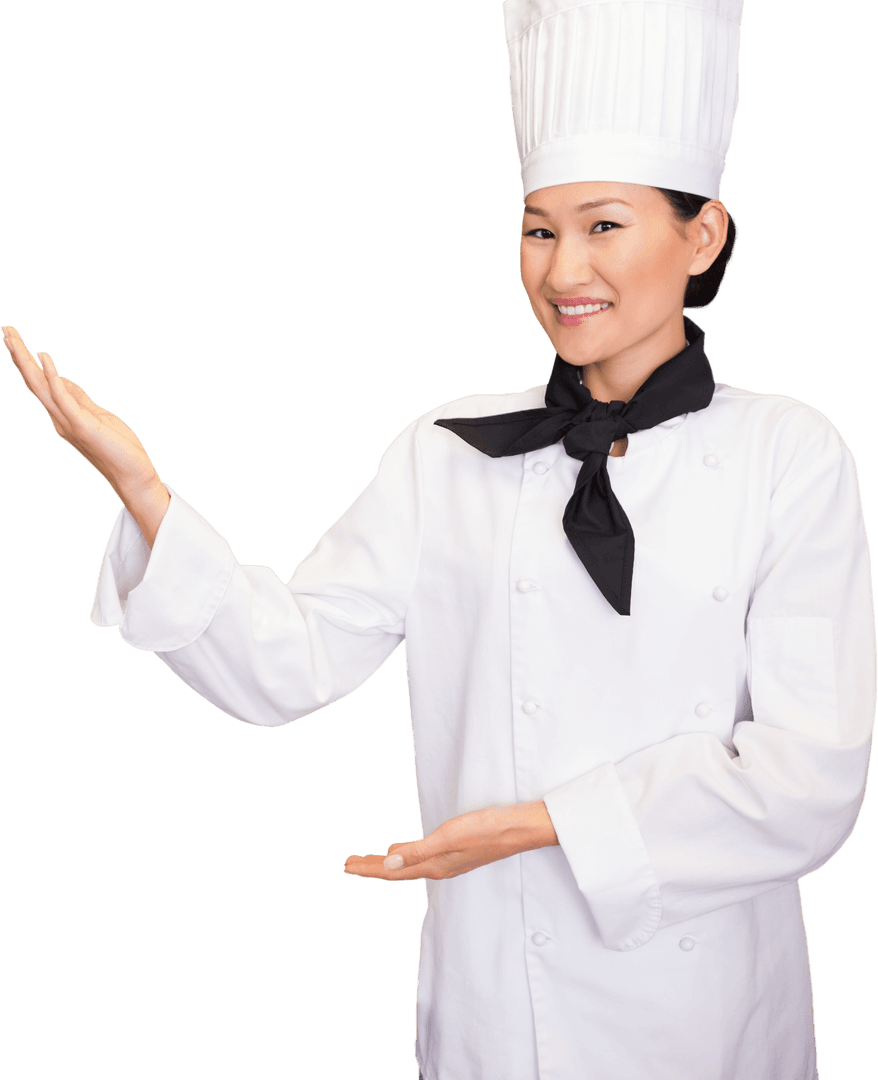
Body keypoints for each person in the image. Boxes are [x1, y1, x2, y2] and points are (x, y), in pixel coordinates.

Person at [5, 1, 876, 1077]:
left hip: (706, 1026)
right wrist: (144, 494)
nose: (563, 272)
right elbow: (290, 659)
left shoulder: (788, 453)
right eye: (537, 228)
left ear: (700, 236)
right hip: (486, 1022)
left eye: (603, 225)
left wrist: (545, 825)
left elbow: (810, 781)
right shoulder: (447, 450)